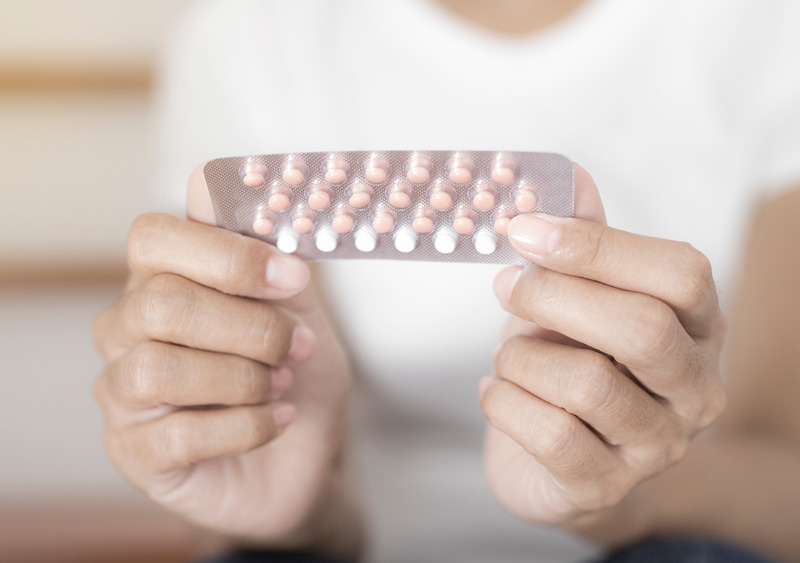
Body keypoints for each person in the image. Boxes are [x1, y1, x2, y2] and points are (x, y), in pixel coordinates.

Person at [92, 1, 800, 561]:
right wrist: (300, 515)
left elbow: (785, 483)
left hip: (674, 530)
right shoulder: (251, 35)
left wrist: (615, 499)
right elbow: (238, 502)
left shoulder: (768, 26)